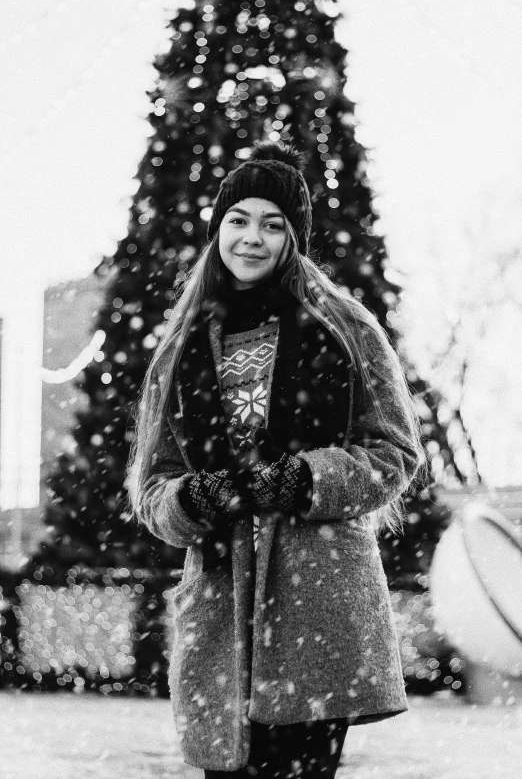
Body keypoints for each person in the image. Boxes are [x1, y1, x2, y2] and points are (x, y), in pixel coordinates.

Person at [129, 140, 426, 778]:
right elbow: (152, 485)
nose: (252, 238)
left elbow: (395, 452)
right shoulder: (180, 349)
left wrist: (305, 479)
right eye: (238, 220)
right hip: (222, 602)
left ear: (294, 237)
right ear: (217, 230)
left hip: (317, 594)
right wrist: (187, 502)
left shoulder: (346, 328)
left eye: (273, 224)